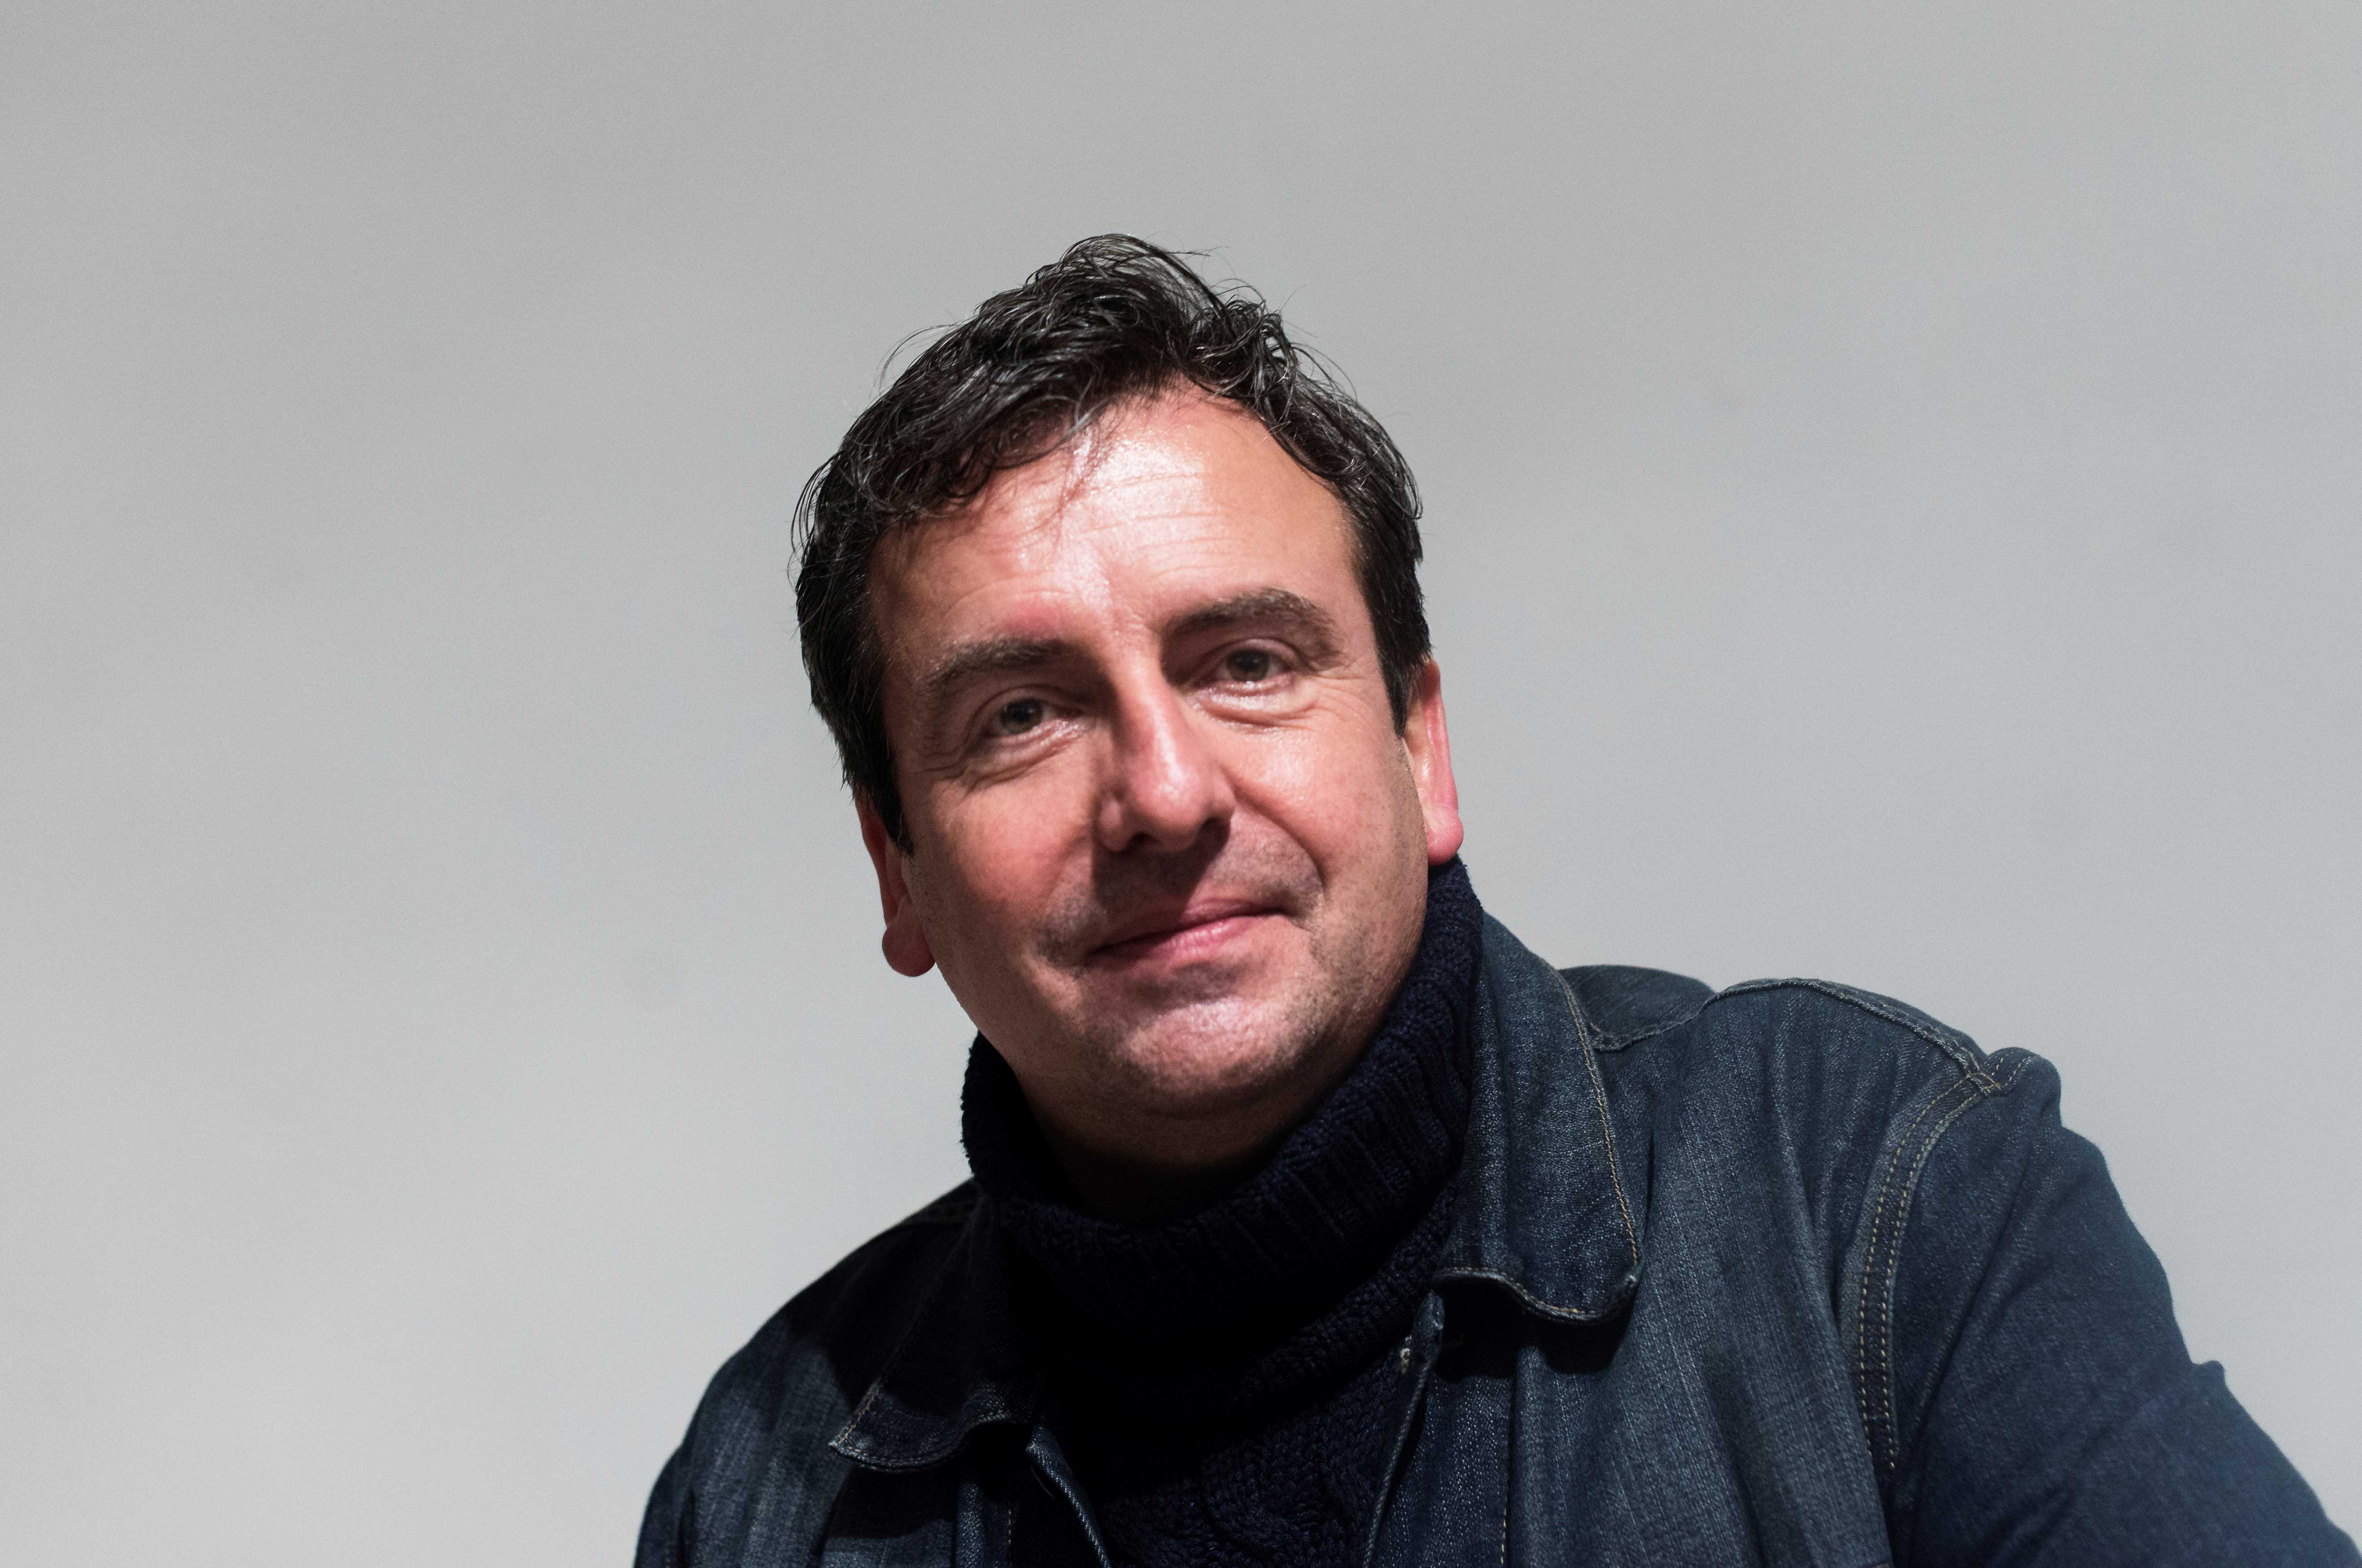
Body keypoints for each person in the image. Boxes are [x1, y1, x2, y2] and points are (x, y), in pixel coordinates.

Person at [636, 236, 2354, 1568]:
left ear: (1420, 746)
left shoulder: (1870, 1204)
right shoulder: (770, 1490)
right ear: (897, 865)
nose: (1161, 792)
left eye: (1246, 662)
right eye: (1021, 715)